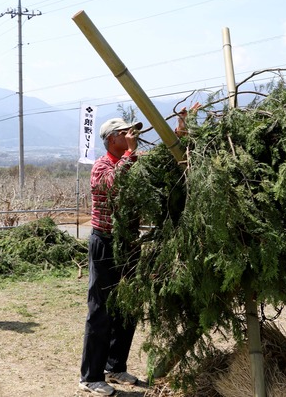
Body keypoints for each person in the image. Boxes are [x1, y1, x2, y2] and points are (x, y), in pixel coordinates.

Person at [79, 108, 198, 396]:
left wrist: (181, 127)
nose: (131, 136)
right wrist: (130, 155)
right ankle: (91, 376)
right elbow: (112, 185)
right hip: (105, 242)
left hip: (129, 243)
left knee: (128, 305)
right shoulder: (101, 165)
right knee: (101, 310)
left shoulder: (134, 161)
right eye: (124, 133)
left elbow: (165, 160)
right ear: (111, 139)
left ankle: (114, 365)